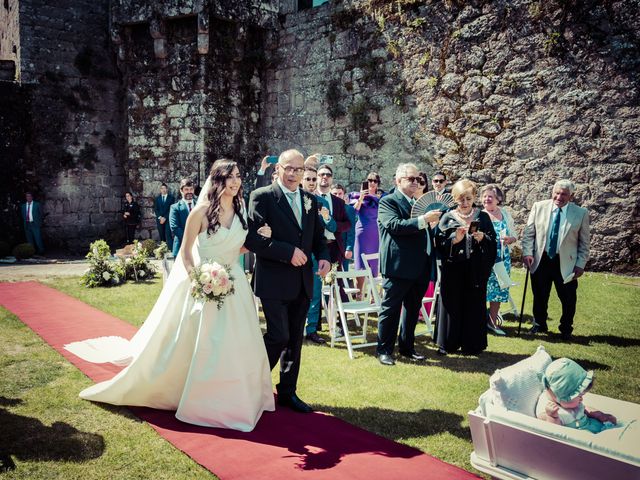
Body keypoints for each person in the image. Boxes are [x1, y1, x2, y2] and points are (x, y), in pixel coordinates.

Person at [64, 160, 275, 431]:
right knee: (205, 343)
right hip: (205, 284)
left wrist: (259, 236)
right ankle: (197, 394)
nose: (235, 182)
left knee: (238, 343)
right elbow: (186, 252)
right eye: (229, 177)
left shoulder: (241, 209)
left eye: (237, 177)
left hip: (236, 287)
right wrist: (199, 279)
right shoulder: (199, 212)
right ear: (217, 180)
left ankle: (237, 394)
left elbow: (236, 248)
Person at [246, 149, 330, 414]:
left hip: (303, 281)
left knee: (294, 339)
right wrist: (287, 252)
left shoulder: (310, 200)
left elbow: (318, 235)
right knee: (278, 335)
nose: (294, 174)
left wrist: (325, 257)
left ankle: (287, 392)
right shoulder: (262, 197)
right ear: (278, 169)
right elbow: (253, 239)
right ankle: (250, 384)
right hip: (273, 281)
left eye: (299, 169)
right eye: (289, 169)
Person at [376, 163, 441, 366]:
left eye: (418, 179)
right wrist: (423, 220)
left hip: (420, 265)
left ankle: (407, 347)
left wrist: (430, 226)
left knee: (413, 309)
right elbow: (394, 226)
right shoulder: (388, 201)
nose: (415, 182)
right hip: (398, 266)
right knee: (391, 309)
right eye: (411, 179)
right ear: (398, 180)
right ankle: (384, 350)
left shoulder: (417, 202)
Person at [522, 179, 590, 341]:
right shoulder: (539, 207)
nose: (559, 197)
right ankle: (539, 324)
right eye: (557, 193)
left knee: (568, 298)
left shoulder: (580, 213)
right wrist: (527, 253)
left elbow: (584, 243)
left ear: (571, 196)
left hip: (566, 262)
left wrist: (580, 265)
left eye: (564, 194)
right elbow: (529, 233)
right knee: (539, 295)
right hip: (541, 259)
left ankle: (566, 328)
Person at [435, 179, 496, 355]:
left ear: (474, 197)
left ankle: (472, 344)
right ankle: (448, 343)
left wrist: (482, 237)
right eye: (461, 199)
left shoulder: (482, 217)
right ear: (455, 198)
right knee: (451, 304)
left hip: (475, 269)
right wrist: (455, 239)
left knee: (474, 304)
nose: (465, 203)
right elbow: (439, 244)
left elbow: (492, 244)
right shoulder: (447, 217)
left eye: (468, 199)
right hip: (453, 269)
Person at [301, 166, 336, 344]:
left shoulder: (323, 202)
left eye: (314, 179)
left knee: (314, 293)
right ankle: (296, 328)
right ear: (301, 180)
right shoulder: (294, 199)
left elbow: (333, 228)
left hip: (315, 253)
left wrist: (327, 217)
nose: (312, 182)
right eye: (308, 179)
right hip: (297, 253)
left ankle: (312, 329)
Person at [536, 358, 617, 433]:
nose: (581, 399)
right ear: (563, 395)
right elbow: (553, 432)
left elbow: (583, 409)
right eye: (579, 395)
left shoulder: (567, 402)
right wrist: (553, 417)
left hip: (592, 426)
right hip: (581, 437)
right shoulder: (547, 410)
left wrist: (599, 415)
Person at [481, 184, 517, 335]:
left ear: (498, 199)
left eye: (490, 196)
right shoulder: (478, 215)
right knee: (481, 290)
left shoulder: (505, 214)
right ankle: (477, 321)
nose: (487, 199)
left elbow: (515, 235)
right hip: (483, 259)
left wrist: (510, 239)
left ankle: (492, 322)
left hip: (502, 259)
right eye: (484, 196)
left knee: (498, 291)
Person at [350, 172, 385, 293]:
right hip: (362, 233)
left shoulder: (381, 198)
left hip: (376, 233)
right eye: (370, 180)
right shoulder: (356, 196)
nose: (372, 183)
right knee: (360, 265)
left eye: (375, 181)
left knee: (374, 265)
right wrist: (360, 198)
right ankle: (359, 295)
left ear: (378, 183)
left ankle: (373, 296)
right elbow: (353, 212)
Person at [315, 164, 351, 266]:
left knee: (335, 281)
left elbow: (348, 224)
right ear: (317, 177)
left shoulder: (339, 202)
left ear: (332, 178)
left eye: (328, 175)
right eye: (321, 174)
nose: (325, 177)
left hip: (335, 246)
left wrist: (334, 226)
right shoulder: (309, 198)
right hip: (315, 247)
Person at [331, 184, 356, 271]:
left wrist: (349, 248)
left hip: (343, 247)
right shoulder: (326, 207)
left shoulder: (349, 209)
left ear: (344, 195)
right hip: (328, 246)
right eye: (335, 194)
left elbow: (351, 231)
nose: (337, 196)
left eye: (340, 193)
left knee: (343, 275)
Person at [169, 179, 196, 256]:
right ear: (181, 191)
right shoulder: (175, 207)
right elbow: (174, 227)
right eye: (186, 189)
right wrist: (190, 239)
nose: (189, 192)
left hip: (199, 246)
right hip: (181, 246)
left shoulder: (199, 205)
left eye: (191, 189)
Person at [154, 183, 175, 251]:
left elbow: (171, 209)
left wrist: (165, 217)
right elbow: (156, 209)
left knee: (168, 234)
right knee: (161, 234)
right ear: (160, 190)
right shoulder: (157, 199)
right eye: (162, 188)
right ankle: (163, 249)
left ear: (167, 189)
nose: (163, 190)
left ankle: (171, 250)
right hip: (160, 220)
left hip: (168, 219)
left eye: (164, 188)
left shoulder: (171, 198)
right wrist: (160, 217)